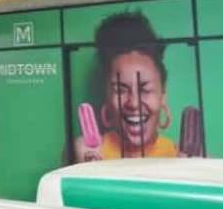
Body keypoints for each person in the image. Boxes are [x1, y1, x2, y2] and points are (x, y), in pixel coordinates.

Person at [75, 12, 180, 161]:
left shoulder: (180, 157)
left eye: (145, 89)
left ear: (163, 95)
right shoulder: (84, 152)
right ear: (107, 97)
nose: (134, 103)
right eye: (120, 90)